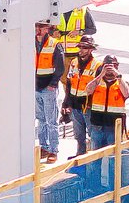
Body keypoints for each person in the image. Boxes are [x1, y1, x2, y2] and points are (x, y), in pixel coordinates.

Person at [63, 35, 99, 156]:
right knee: (78, 134)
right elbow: (69, 83)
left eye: (85, 47)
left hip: (88, 106)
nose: (81, 50)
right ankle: (80, 155)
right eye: (80, 47)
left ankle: (92, 158)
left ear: (91, 49)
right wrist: (66, 102)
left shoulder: (97, 65)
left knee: (92, 134)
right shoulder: (74, 63)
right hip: (75, 104)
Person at [85, 57, 129, 151]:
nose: (109, 69)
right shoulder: (97, 82)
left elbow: (126, 93)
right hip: (97, 126)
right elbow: (88, 90)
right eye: (106, 66)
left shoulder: (121, 82)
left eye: (112, 65)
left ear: (117, 66)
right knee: (95, 157)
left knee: (113, 157)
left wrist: (118, 75)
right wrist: (101, 74)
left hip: (113, 127)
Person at [32, 21, 63, 160]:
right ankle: (43, 147)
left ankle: (53, 150)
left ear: (47, 29)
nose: (38, 30)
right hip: (35, 86)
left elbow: (60, 67)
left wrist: (53, 83)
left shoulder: (54, 44)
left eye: (41, 27)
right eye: (37, 26)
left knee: (51, 120)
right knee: (41, 119)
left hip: (48, 87)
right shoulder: (29, 42)